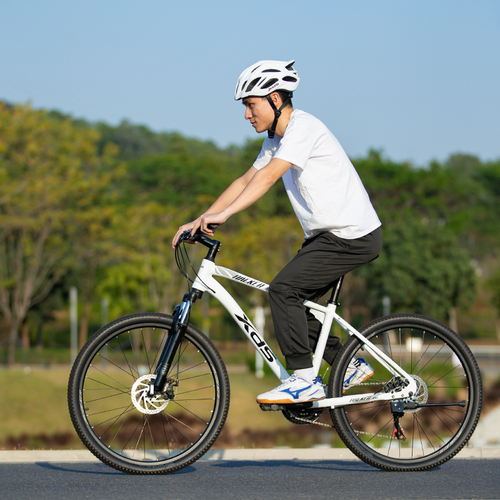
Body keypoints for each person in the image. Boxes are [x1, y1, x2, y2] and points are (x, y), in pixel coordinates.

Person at [172, 60, 382, 404]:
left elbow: (269, 177)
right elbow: (246, 179)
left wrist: (225, 214)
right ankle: (349, 366)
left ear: (273, 99)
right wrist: (203, 217)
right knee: (296, 304)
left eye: (250, 105)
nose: (246, 115)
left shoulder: (303, 128)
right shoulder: (277, 138)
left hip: (350, 234)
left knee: (283, 291)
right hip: (327, 236)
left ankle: (304, 379)